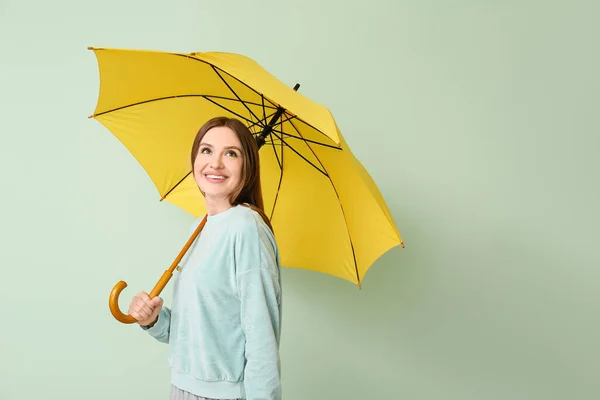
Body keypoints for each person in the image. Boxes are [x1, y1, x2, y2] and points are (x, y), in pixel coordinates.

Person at [127, 116, 283, 400]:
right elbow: (194, 331)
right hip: (181, 388)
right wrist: (154, 320)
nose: (216, 163)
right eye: (207, 150)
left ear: (247, 165)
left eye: (231, 154)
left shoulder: (246, 227)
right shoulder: (200, 225)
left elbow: (262, 339)